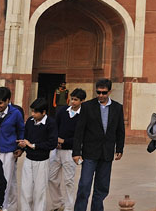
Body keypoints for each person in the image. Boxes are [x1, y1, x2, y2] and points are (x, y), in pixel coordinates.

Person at [72, 78, 125, 211]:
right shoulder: (87, 106)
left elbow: (120, 129)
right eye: (98, 92)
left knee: (102, 188)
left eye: (104, 92)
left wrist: (119, 148)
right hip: (90, 152)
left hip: (106, 153)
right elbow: (79, 131)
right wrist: (76, 152)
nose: (101, 95)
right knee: (84, 185)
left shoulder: (117, 107)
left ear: (109, 92)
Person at [17, 98, 57, 211]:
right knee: (25, 190)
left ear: (44, 112)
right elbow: (26, 137)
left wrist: (33, 145)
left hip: (42, 161)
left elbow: (52, 143)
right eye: (32, 111)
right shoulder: (30, 121)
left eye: (35, 112)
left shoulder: (51, 123)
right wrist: (22, 147)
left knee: (39, 191)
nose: (33, 114)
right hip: (28, 160)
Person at [49, 88, 85, 211]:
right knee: (51, 178)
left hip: (70, 152)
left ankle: (69, 207)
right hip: (56, 150)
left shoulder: (83, 116)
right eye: (72, 99)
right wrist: (56, 141)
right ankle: (58, 204)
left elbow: (81, 136)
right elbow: (55, 127)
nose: (72, 102)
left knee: (69, 181)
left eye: (76, 100)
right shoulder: (62, 111)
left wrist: (64, 141)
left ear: (82, 101)